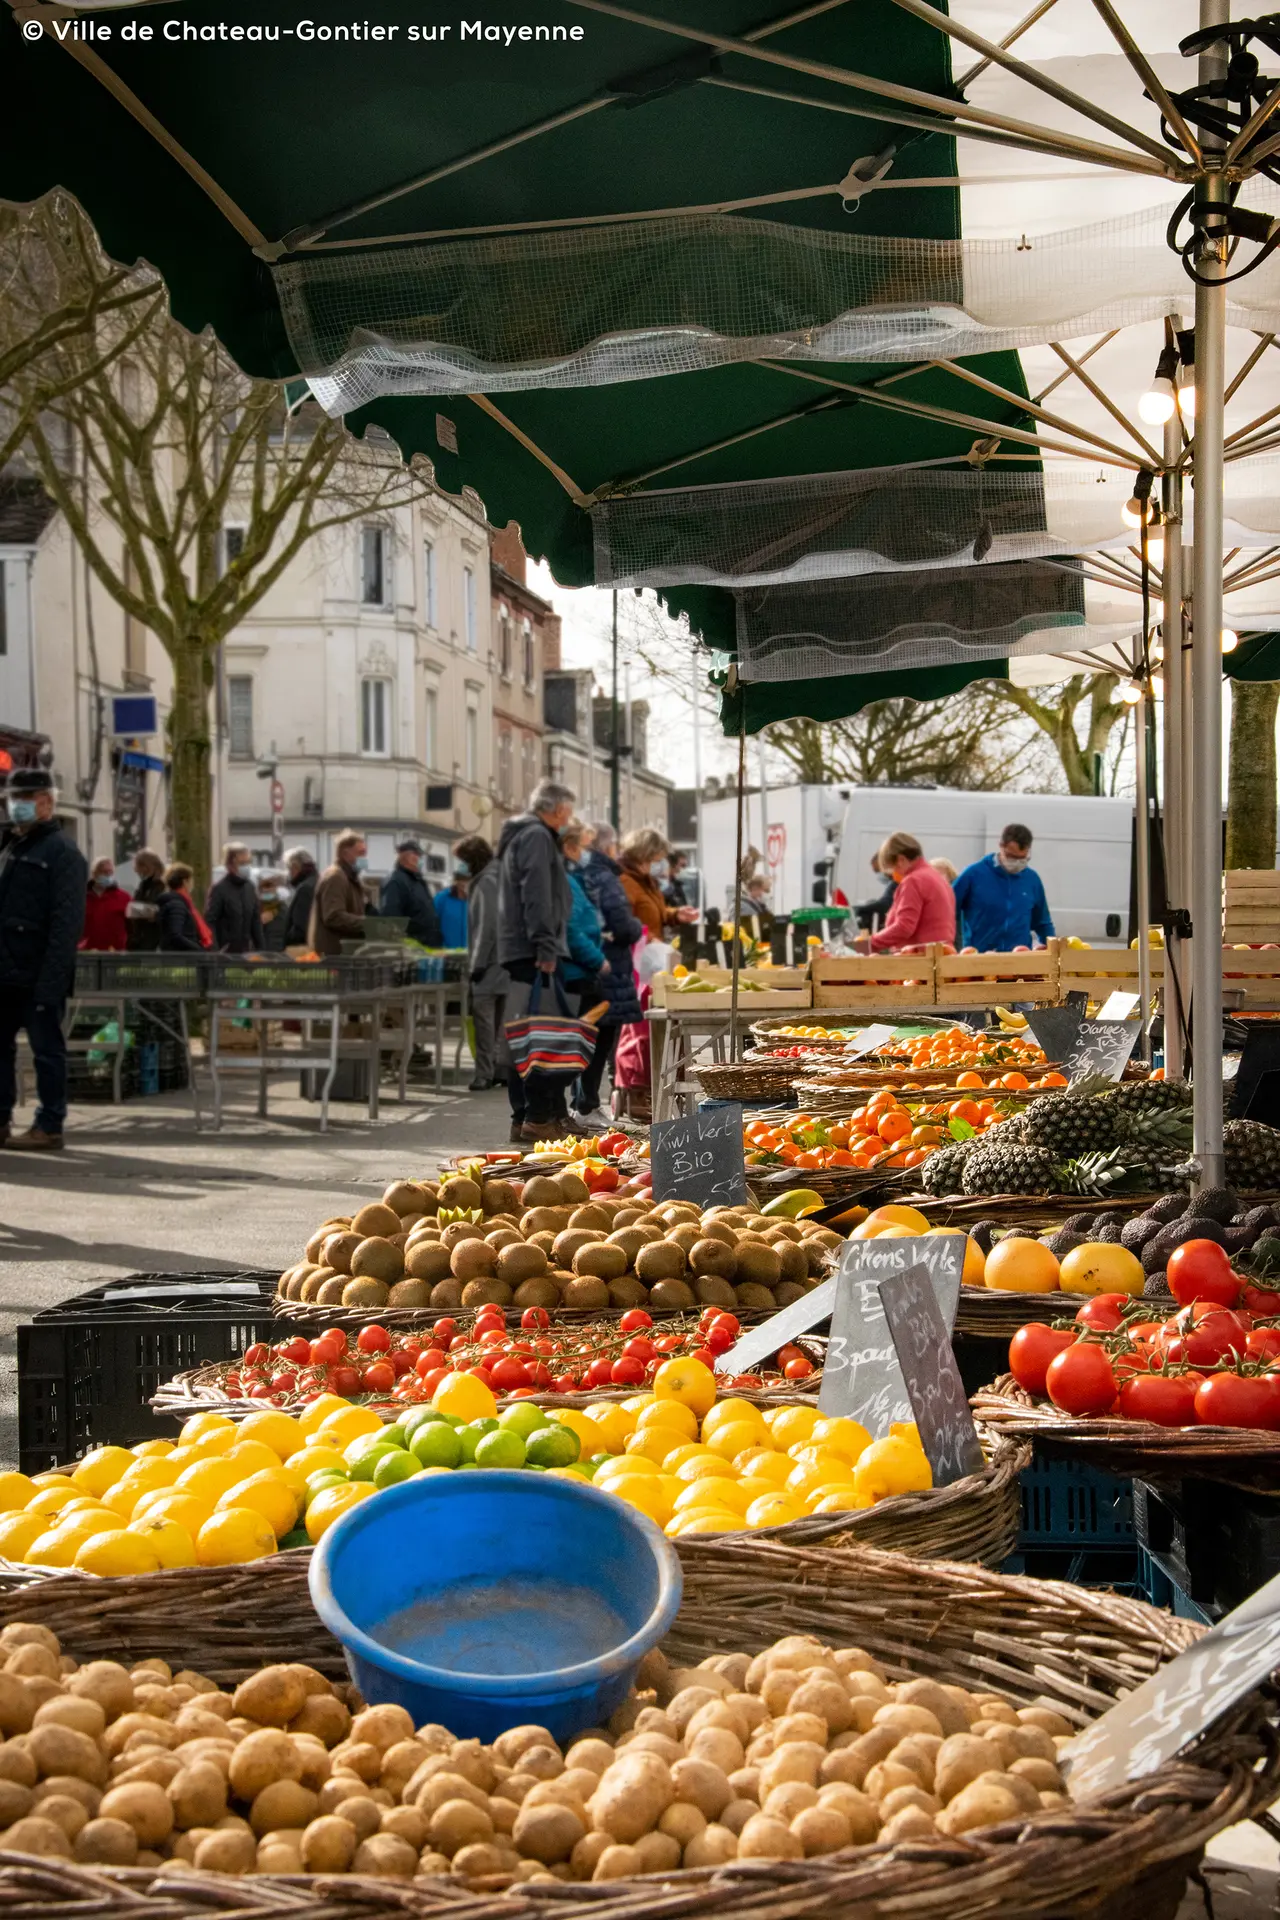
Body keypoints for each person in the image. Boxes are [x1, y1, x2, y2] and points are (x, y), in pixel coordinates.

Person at [0, 768, 87, 1151]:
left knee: (47, 1053)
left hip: (37, 973)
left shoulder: (63, 852)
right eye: (13, 797)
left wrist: (51, 981)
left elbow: (65, 924)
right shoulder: (9, 846)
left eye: (27, 798)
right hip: (4, 972)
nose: (17, 805)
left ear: (48, 802)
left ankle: (49, 1124)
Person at [497, 779, 577, 1143]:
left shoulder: (525, 835)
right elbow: (537, 894)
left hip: (525, 948)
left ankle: (532, 1115)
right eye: (568, 811)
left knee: (529, 1034)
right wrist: (545, 947)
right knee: (541, 1036)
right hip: (533, 952)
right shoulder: (536, 837)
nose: (569, 818)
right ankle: (537, 1116)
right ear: (558, 809)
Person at [575, 820, 643, 1129]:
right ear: (606, 846)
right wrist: (631, 930)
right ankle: (588, 1103)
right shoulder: (606, 877)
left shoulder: (579, 874)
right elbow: (622, 923)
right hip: (608, 965)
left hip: (585, 966)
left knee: (585, 1037)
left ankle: (582, 1102)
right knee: (600, 1039)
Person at [953, 824, 1056, 952]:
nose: (1016, 862)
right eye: (1011, 856)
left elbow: (1043, 922)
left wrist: (1053, 951)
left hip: (1019, 958)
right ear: (1001, 845)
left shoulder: (1032, 880)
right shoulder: (973, 874)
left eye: (1022, 858)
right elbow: (947, 910)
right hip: (979, 957)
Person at [457, 834, 506, 1091]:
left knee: (484, 1022)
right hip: (504, 962)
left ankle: (484, 1073)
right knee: (501, 1024)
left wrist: (476, 964)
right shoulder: (501, 875)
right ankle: (501, 1070)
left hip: (489, 965)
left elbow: (486, 928)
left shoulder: (487, 881)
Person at [854, 832, 956, 953]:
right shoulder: (937, 878)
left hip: (919, 961)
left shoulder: (913, 880)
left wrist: (869, 944)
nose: (894, 875)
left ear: (901, 860)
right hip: (941, 956)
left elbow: (904, 927)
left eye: (892, 868)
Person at [619, 828, 697, 938]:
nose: (660, 866)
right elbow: (624, 923)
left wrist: (675, 915)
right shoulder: (625, 882)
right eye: (656, 861)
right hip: (638, 951)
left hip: (651, 949)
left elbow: (653, 911)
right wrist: (651, 941)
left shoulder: (648, 882)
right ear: (642, 857)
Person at [309, 830, 370, 957]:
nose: (364, 858)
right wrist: (367, 924)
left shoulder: (351, 878)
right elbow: (333, 916)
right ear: (345, 853)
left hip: (346, 953)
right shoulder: (335, 877)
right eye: (360, 853)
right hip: (335, 953)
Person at [379, 837, 441, 946]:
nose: (418, 858)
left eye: (419, 855)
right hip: (412, 948)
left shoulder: (417, 881)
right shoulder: (395, 881)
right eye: (415, 854)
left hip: (427, 946)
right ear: (404, 856)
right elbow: (391, 917)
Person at [205, 842, 264, 953]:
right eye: (242, 863)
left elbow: (256, 921)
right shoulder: (219, 889)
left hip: (246, 953)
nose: (246, 867)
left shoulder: (250, 888)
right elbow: (210, 921)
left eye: (248, 862)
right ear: (229, 864)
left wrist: (261, 949)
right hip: (225, 953)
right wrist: (215, 951)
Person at [158, 863, 213, 951]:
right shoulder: (177, 904)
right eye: (191, 880)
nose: (192, 884)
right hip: (181, 958)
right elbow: (175, 935)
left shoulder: (181, 902)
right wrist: (198, 949)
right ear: (185, 881)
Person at [80, 858, 129, 951]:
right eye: (104, 872)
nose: (108, 875)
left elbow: (131, 927)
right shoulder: (81, 898)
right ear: (94, 874)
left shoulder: (124, 898)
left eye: (110, 872)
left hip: (115, 953)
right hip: (87, 952)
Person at [126, 848, 166, 951]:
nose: (136, 871)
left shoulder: (162, 886)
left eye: (138, 867)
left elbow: (159, 912)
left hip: (154, 941)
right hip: (139, 940)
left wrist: (138, 910)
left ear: (146, 866)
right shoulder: (143, 886)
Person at [281, 849, 318, 949]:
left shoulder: (305, 888)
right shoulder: (317, 881)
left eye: (289, 868)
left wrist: (288, 939)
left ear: (295, 867)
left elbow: (301, 925)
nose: (289, 873)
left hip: (301, 948)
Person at [855, 851, 898, 933]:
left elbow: (884, 905)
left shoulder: (896, 884)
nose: (879, 875)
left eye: (878, 871)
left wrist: (859, 910)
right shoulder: (894, 883)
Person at [435, 863, 469, 950]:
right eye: (460, 878)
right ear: (456, 880)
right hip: (446, 955)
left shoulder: (475, 901)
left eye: (467, 879)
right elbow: (430, 925)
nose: (464, 883)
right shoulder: (441, 898)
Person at [257, 871, 288, 950]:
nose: (266, 890)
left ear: (275, 887)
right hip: (260, 954)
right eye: (262, 887)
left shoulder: (282, 908)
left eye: (269, 886)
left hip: (278, 955)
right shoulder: (255, 908)